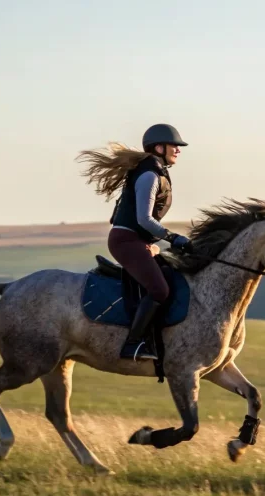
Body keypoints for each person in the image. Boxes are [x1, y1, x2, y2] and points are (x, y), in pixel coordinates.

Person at [78, 124, 194, 361]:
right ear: (159, 147)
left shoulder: (157, 171)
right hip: (126, 241)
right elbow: (144, 218)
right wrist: (172, 237)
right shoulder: (150, 175)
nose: (178, 151)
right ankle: (132, 344)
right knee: (159, 289)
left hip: (136, 240)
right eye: (175, 146)